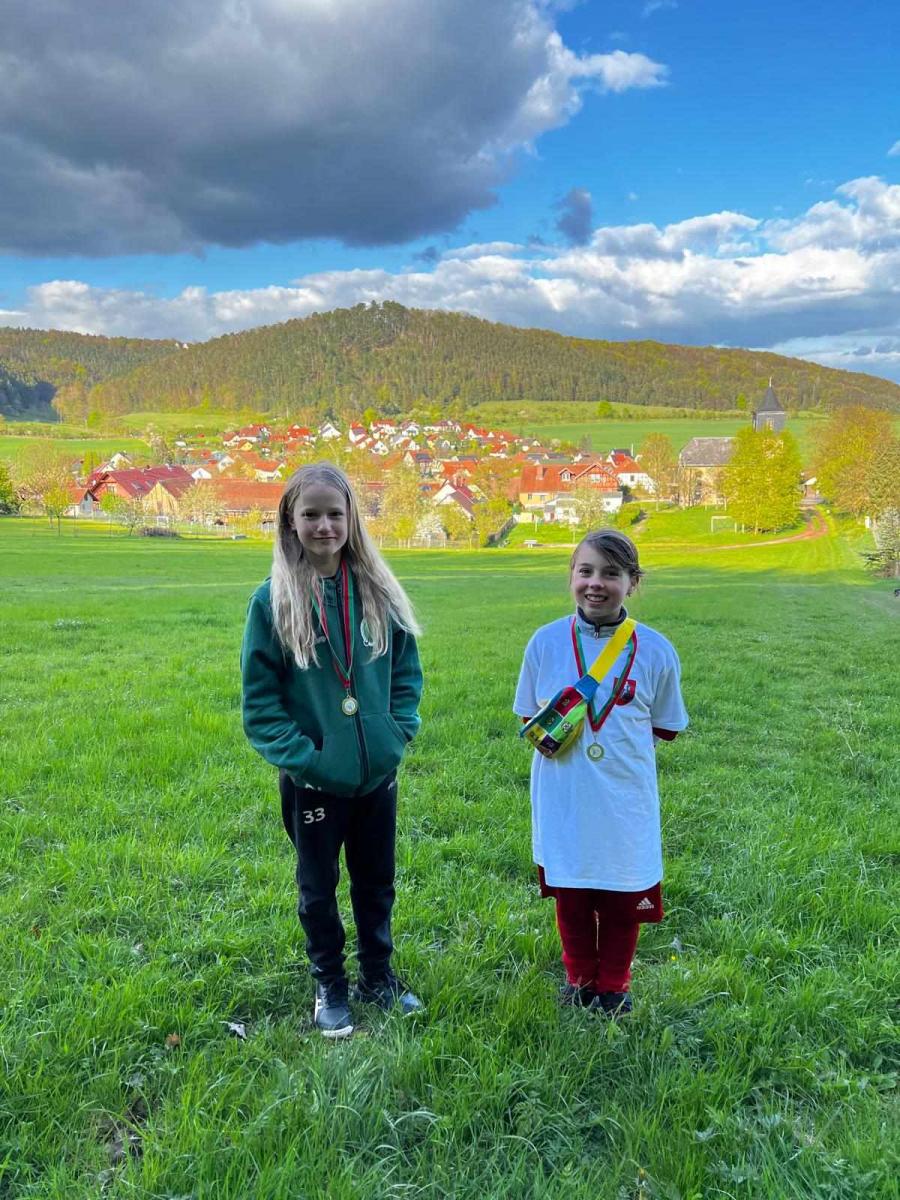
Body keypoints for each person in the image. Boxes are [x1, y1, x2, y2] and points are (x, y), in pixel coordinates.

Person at [241, 463, 424, 1038]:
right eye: (311, 514)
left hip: (376, 776)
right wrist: (309, 759)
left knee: (377, 881)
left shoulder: (378, 592)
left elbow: (406, 673)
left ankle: (377, 975)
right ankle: (330, 983)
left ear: (352, 519)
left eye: (335, 514)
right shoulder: (272, 602)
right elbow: (261, 703)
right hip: (314, 782)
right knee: (318, 890)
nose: (324, 526)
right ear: (289, 521)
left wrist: (396, 732)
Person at [514, 528, 687, 1016]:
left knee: (620, 893)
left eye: (611, 573)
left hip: (623, 798)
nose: (596, 583)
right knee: (570, 894)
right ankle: (579, 979)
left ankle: (613, 985)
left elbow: (666, 726)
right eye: (585, 571)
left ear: (633, 582)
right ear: (571, 575)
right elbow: (528, 714)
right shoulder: (545, 642)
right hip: (564, 794)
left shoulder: (656, 650)